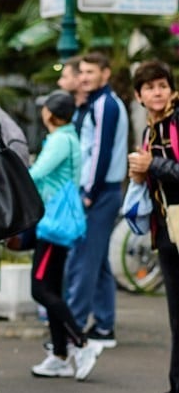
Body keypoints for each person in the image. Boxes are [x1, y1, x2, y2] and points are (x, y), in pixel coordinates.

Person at [28, 90, 105, 381]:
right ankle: (60, 354)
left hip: (53, 224)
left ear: (50, 114)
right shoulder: (68, 135)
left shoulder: (60, 139)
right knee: (52, 289)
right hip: (60, 220)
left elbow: (36, 173)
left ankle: (81, 343)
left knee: (40, 289)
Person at [65, 52, 128, 346]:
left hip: (100, 193)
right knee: (98, 261)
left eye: (91, 72)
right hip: (102, 191)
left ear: (106, 73)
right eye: (83, 72)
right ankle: (104, 326)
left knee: (83, 262)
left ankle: (73, 329)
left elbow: (101, 151)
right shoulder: (97, 103)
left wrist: (89, 193)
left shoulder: (105, 105)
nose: (85, 77)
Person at [128, 61, 179, 393]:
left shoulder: (175, 123)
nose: (157, 92)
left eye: (162, 85)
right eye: (149, 87)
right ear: (139, 95)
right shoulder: (151, 130)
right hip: (168, 232)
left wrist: (152, 166)